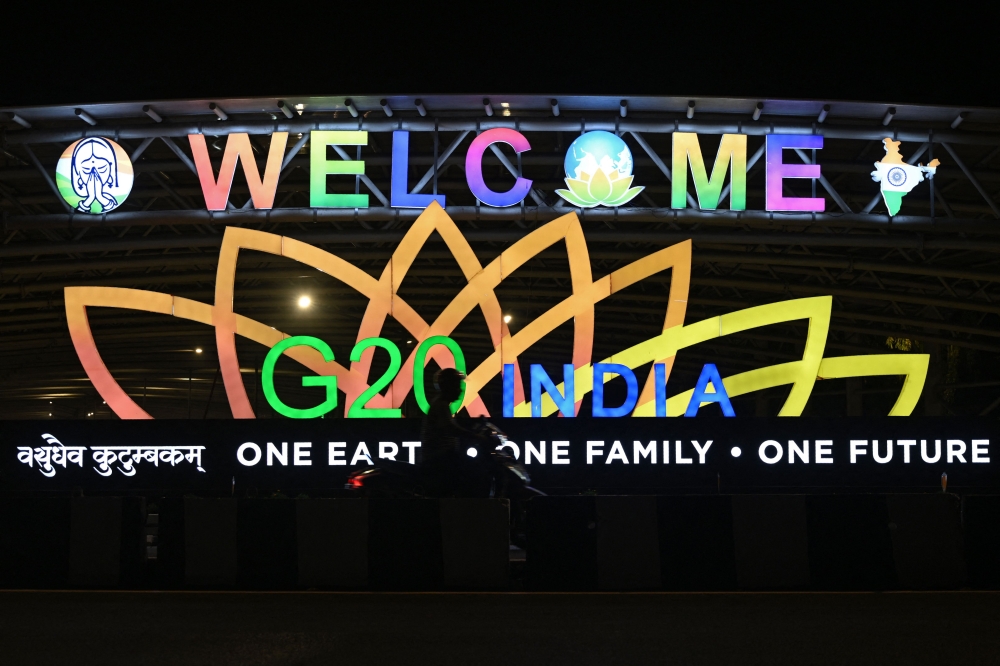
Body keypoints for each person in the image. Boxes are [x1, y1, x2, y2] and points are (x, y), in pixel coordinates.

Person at [419, 368, 490, 497]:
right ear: (448, 386)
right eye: (457, 385)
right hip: (439, 459)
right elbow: (451, 429)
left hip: (443, 457)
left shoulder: (443, 406)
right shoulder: (440, 406)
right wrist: (477, 436)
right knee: (474, 472)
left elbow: (453, 427)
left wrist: (475, 425)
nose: (460, 390)